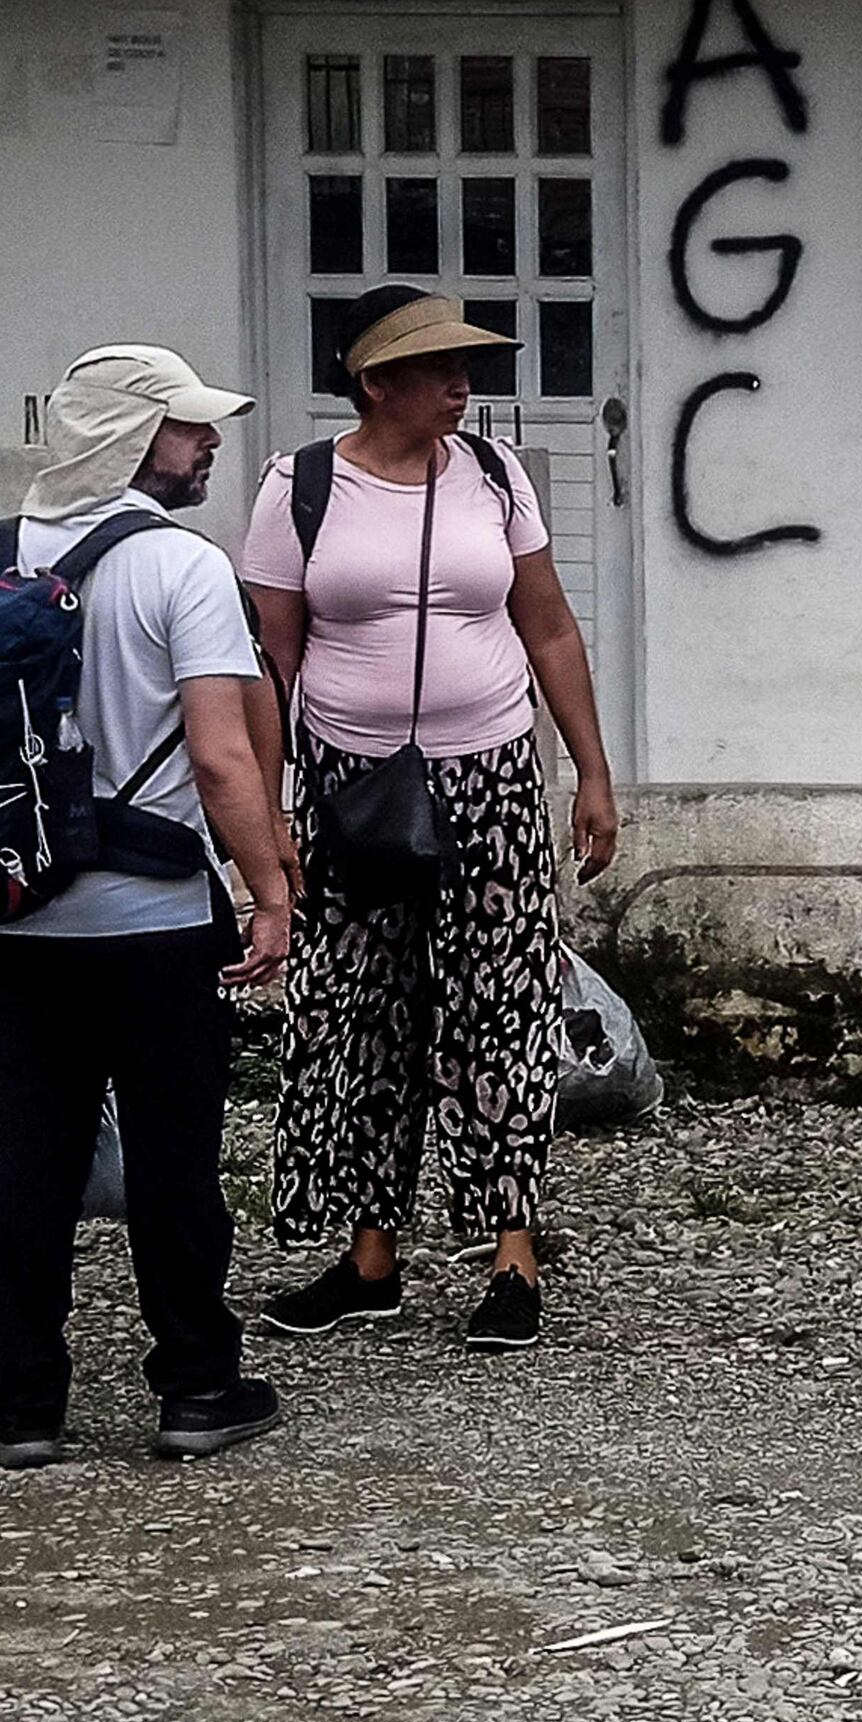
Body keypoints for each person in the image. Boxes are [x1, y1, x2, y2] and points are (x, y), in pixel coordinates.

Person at [239, 285, 621, 1353]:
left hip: (489, 778)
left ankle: (512, 1254)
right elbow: (268, 662)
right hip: (348, 785)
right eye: (439, 368)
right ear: (375, 382)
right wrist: (267, 815)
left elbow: (549, 628)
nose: (463, 385)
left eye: (467, 367)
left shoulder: (495, 476)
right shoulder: (300, 488)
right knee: (361, 1012)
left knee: (503, 1006)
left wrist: (592, 773)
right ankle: (369, 1259)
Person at [0, 345, 299, 1469]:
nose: (208, 444)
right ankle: (197, 1385)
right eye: (188, 427)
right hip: (152, 917)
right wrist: (269, 890)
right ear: (128, 439)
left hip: (14, 910)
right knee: (172, 1156)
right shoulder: (180, 567)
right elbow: (221, 757)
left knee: (32, 1157)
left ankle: (23, 1405)